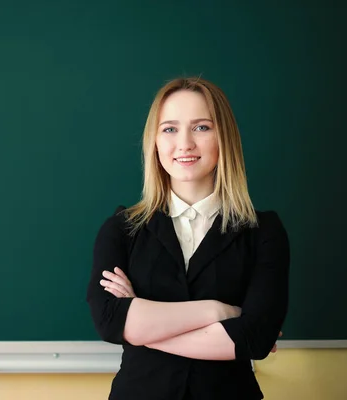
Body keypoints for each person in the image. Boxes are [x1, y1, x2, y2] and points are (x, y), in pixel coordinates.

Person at [86, 76, 290, 400]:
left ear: (224, 137)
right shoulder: (122, 229)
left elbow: (254, 338)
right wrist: (217, 312)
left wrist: (143, 324)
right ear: (154, 141)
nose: (184, 144)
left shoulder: (263, 231)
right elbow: (111, 322)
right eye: (170, 129)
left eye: (201, 127)